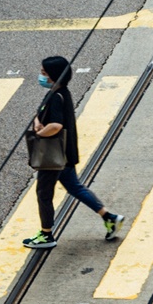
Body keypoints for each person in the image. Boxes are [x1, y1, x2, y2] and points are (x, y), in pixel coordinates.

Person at [21, 55, 125, 249]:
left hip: (53, 156)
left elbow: (56, 125)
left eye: (44, 73)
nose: (41, 76)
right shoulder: (60, 92)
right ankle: (110, 217)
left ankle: (46, 235)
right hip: (65, 153)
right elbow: (42, 114)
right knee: (74, 187)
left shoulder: (56, 97)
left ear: (53, 75)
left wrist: (39, 135)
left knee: (44, 193)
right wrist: (37, 122)